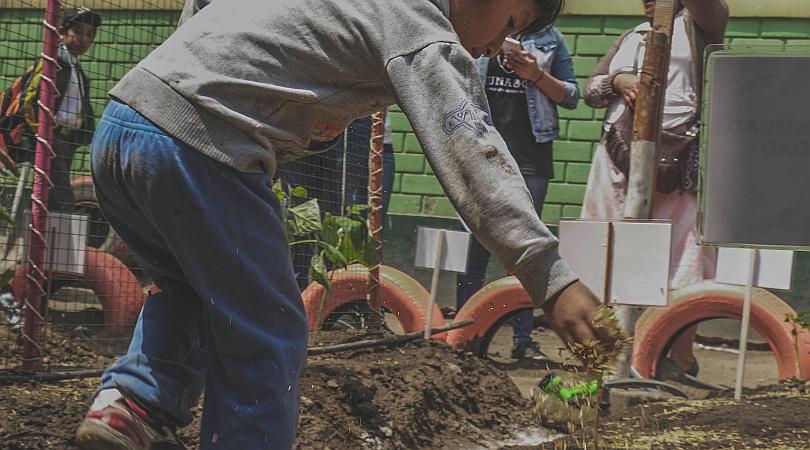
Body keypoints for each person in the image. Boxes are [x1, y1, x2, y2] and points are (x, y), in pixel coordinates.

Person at [75, 0, 614, 449]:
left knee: (188, 287)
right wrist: (549, 277)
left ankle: (133, 405)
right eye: (510, 24)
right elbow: (471, 154)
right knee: (270, 330)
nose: (498, 45)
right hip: (203, 144)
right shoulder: (421, 23)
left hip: (127, 123)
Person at [581, 0, 728, 374]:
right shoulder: (631, 36)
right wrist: (618, 81)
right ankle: (605, 354)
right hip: (618, 157)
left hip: (676, 162)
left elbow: (711, 8)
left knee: (683, 261)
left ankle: (675, 357)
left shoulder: (699, 26)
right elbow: (589, 91)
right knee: (606, 252)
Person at [457, 26, 579, 360]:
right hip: (480, 152)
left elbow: (571, 96)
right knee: (472, 250)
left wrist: (535, 73)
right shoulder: (482, 22)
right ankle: (464, 337)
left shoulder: (551, 39)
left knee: (526, 251)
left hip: (530, 157)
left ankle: (522, 340)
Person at [11, 7, 100, 212]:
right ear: (61, 32)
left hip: (67, 141)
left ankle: (40, 236)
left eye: (89, 34)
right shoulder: (52, 63)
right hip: (51, 138)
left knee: (51, 193)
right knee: (61, 198)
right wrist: (42, 133)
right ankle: (50, 236)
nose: (83, 39)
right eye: (77, 32)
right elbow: (28, 100)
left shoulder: (76, 69)